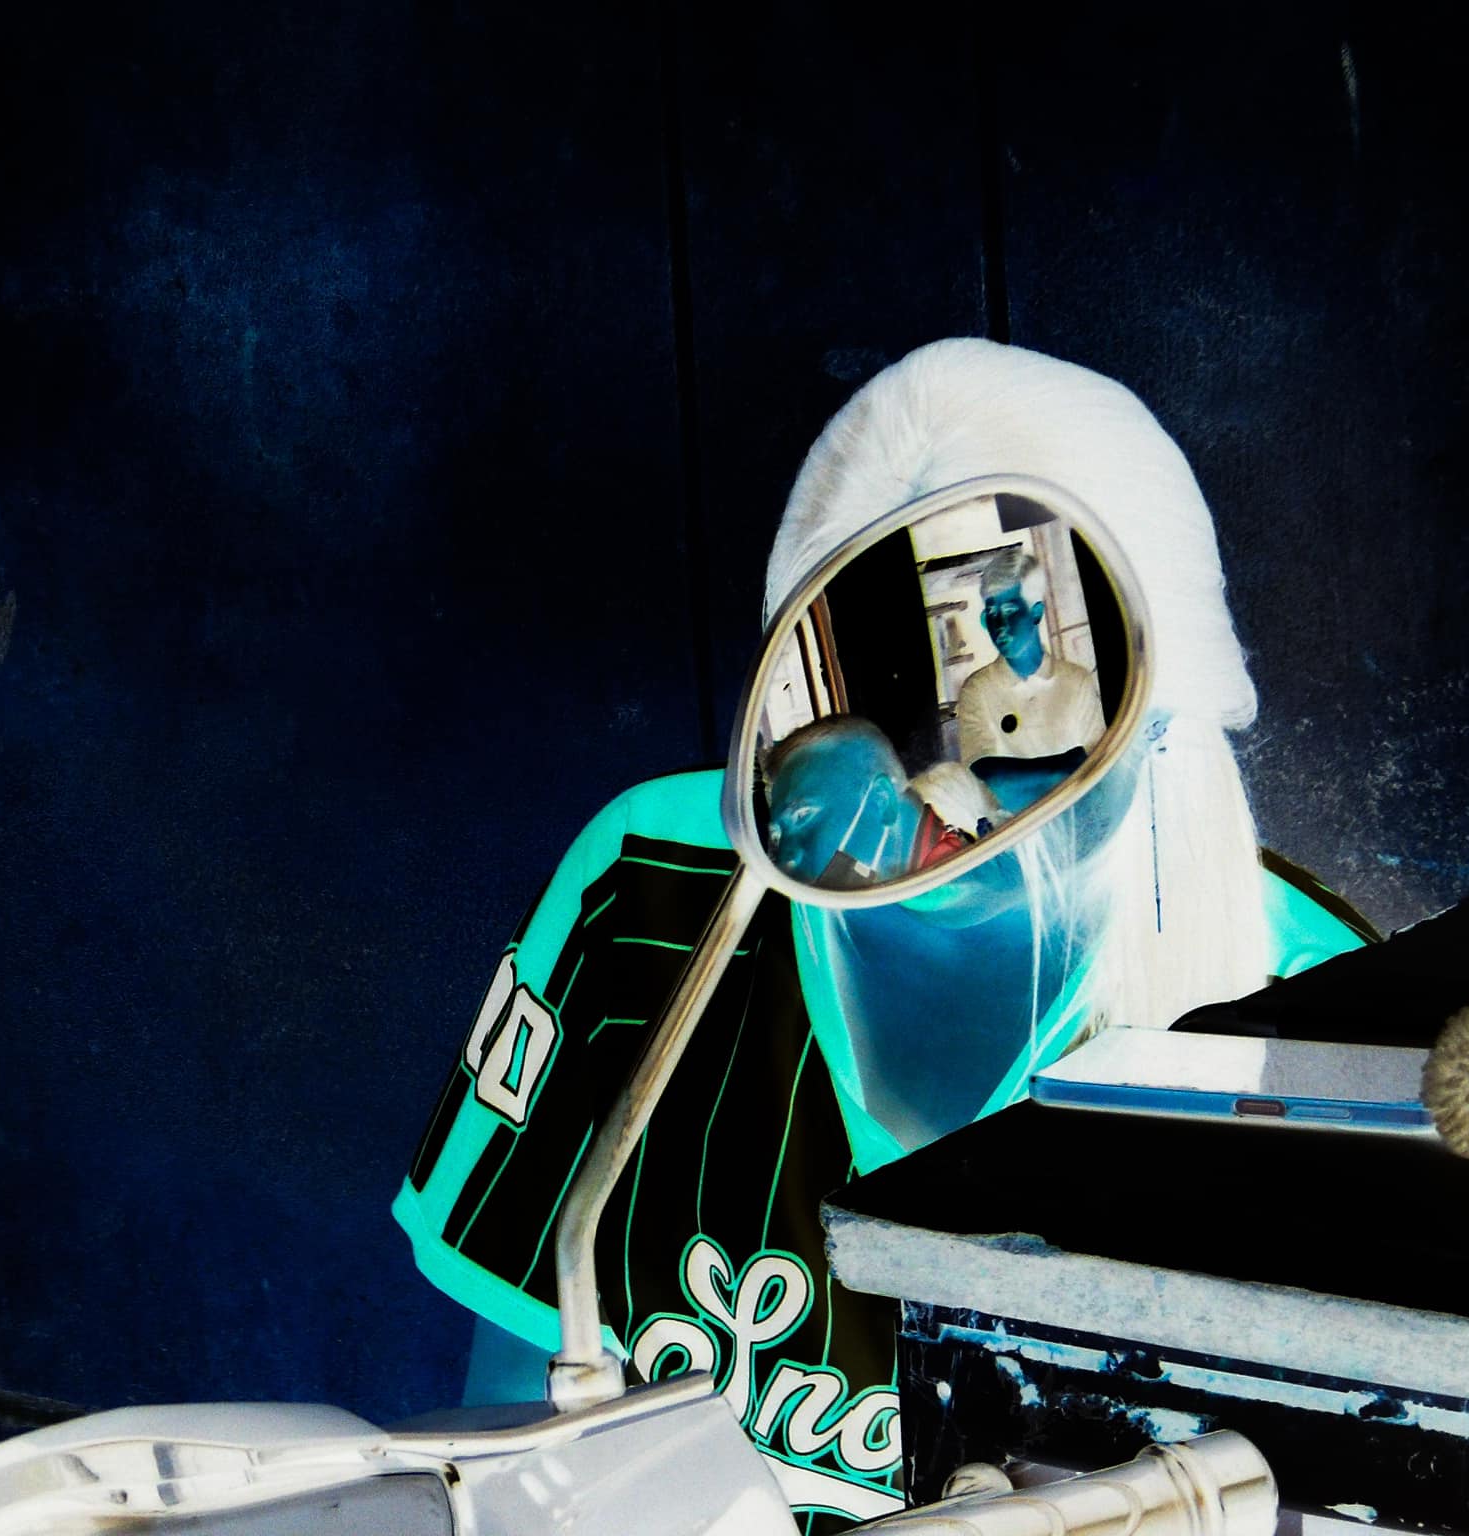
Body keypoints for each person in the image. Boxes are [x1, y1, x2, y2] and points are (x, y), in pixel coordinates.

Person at [394, 339, 1374, 1529]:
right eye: (866, 681)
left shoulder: (1321, 1038)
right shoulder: (645, 892)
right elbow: (508, 1450)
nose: (918, 783)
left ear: (1158, 714)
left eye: (1012, 647)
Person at [955, 548, 1106, 813]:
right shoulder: (976, 690)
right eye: (992, 612)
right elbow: (986, 779)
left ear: (1036, 613)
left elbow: (1099, 770)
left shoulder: (1077, 681)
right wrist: (1065, 765)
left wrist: (1021, 777)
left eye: (1010, 610)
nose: (999, 624)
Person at [764, 717, 975, 889]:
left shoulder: (965, 888)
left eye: (802, 815)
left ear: (881, 800)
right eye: (777, 837)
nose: (784, 858)